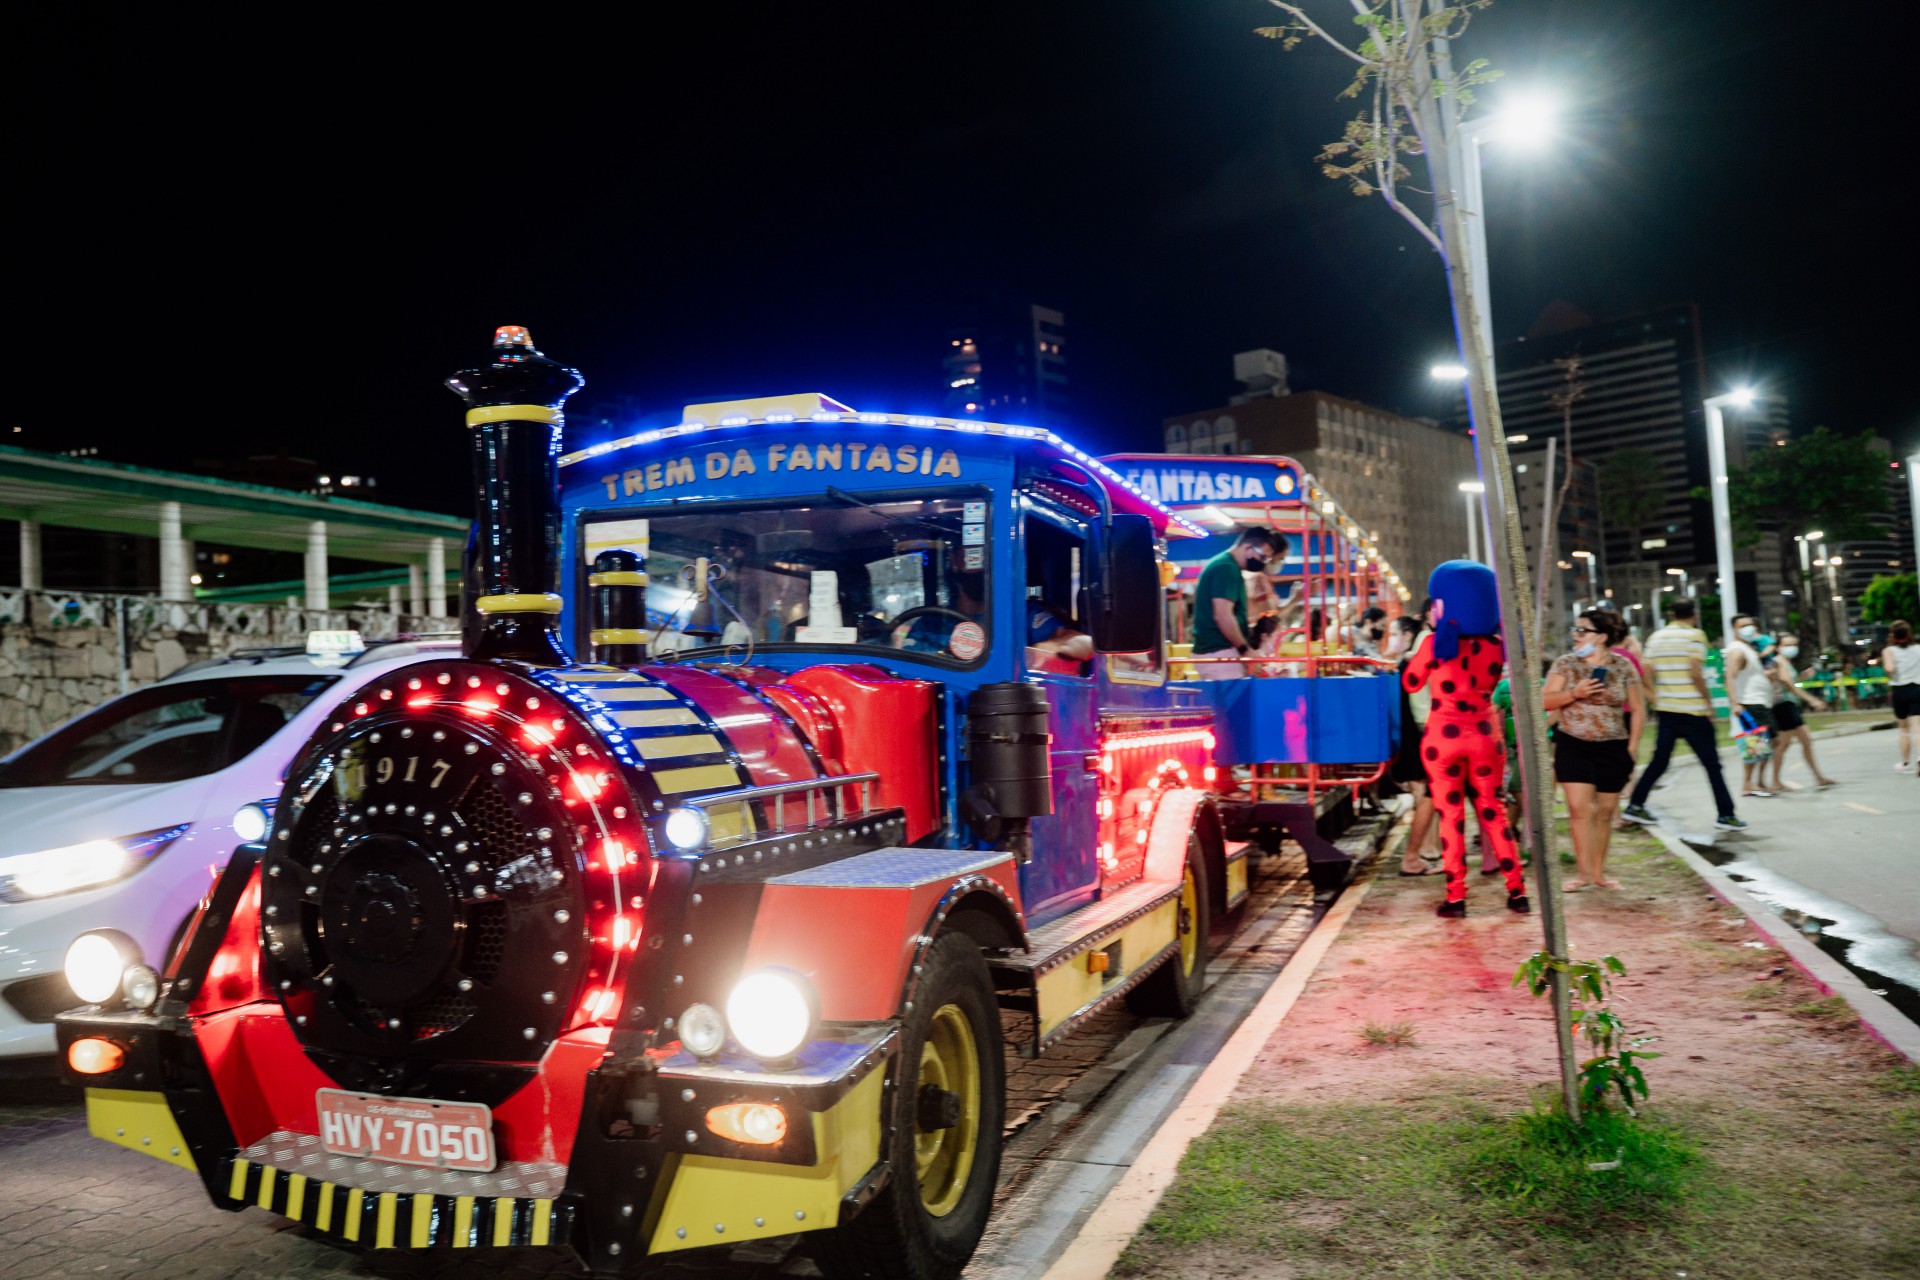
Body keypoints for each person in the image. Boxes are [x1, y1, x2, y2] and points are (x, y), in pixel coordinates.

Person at [1402, 560, 1530, 916]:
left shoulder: (1433, 644)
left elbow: (1410, 682)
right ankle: (1517, 892)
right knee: (1494, 812)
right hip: (1486, 735)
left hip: (1443, 736)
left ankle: (1456, 896)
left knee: (1451, 816)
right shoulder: (1496, 644)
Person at [1542, 610, 1645, 890]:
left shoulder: (1623, 666)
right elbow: (1545, 702)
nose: (1576, 634)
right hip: (1573, 743)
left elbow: (1637, 709)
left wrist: (1632, 748)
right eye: (1575, 629)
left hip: (1613, 747)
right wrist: (1575, 693)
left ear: (1601, 637)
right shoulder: (1565, 664)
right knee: (1579, 809)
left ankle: (1599, 874)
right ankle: (1583, 873)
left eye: (1583, 630)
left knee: (1605, 812)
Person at [1623, 598, 1744, 831]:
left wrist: (1655, 697)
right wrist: (1708, 703)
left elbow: (1645, 670)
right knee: (1711, 765)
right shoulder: (1695, 636)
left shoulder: (1656, 637)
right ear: (1694, 615)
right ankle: (1726, 814)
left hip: (1667, 710)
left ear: (1671, 614)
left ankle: (1636, 804)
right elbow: (1694, 670)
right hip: (1693, 711)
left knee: (1659, 761)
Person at [1192, 527, 1283, 679]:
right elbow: (1223, 615)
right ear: (1248, 548)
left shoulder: (1227, 566)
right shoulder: (1226, 569)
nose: (1263, 563)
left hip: (1219, 654)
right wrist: (1245, 650)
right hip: (1219, 654)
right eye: (1262, 557)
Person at [1389, 614, 1442, 875]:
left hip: (1422, 727)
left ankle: (1425, 850)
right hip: (1421, 728)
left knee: (1427, 792)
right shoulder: (1425, 646)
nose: (1391, 639)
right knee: (1427, 792)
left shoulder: (1425, 645)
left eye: (1394, 633)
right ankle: (1423, 851)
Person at [1764, 632, 1835, 790]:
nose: (1792, 648)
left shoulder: (1785, 663)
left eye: (1793, 644)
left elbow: (1788, 683)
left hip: (1788, 705)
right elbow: (1787, 685)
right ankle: (1776, 781)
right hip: (1784, 706)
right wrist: (1812, 700)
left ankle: (1817, 777)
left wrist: (1801, 677)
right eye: (1787, 645)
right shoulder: (1778, 661)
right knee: (1786, 744)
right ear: (1778, 647)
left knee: (1799, 742)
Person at [1725, 614, 1776, 798]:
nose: (1748, 627)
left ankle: (1759, 782)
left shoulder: (1750, 649)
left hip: (1760, 701)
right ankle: (1748, 783)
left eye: (1750, 624)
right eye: (1743, 625)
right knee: (1755, 743)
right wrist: (1735, 703)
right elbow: (1730, 676)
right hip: (1749, 702)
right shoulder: (1737, 650)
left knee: (1767, 742)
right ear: (1734, 630)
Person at [1884, 621, 1920, 771]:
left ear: (1893, 635)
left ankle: (1905, 763)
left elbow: (1890, 668)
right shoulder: (1918, 648)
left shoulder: (1889, 651)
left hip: (1899, 690)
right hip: (1918, 688)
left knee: (1903, 728)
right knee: (1917, 727)